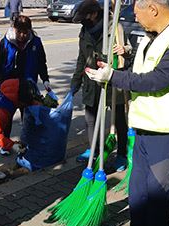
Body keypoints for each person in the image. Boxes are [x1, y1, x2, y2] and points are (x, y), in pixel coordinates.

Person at [84, 0, 169, 226]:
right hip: (144, 125)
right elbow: (142, 70)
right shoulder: (152, 35)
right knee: (138, 186)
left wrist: (114, 77)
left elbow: (157, 79)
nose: (135, 17)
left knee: (158, 190)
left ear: (153, 8)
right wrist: (121, 65)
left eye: (137, 11)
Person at [70, 0, 131, 171]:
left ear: (95, 14)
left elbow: (128, 51)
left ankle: (121, 154)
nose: (83, 22)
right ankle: (93, 150)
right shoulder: (85, 31)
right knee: (90, 118)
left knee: (118, 119)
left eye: (85, 17)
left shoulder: (115, 28)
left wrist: (124, 50)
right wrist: (75, 82)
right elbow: (82, 58)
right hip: (91, 80)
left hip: (112, 80)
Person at [0, 15, 51, 155]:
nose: (22, 35)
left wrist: (45, 80)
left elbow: (41, 63)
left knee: (28, 116)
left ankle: (27, 143)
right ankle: (5, 144)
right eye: (19, 32)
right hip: (8, 88)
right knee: (6, 117)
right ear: (15, 29)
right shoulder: (6, 43)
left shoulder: (35, 43)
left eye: (25, 32)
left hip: (27, 87)